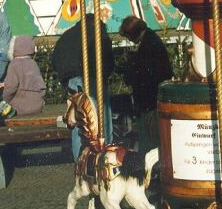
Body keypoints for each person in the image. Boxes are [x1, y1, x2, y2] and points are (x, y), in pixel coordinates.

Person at [52, 13, 114, 160]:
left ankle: (80, 162)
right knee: (101, 121)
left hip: (72, 81)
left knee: (81, 126)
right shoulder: (97, 34)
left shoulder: (66, 36)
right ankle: (104, 161)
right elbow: (107, 59)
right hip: (93, 78)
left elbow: (55, 60)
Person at [119, 15, 173, 152]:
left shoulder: (148, 44)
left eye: (129, 37)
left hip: (150, 101)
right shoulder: (150, 40)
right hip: (152, 97)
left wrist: (131, 67)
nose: (130, 40)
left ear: (133, 33)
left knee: (149, 138)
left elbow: (146, 74)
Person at [0, 35, 46, 117]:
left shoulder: (14, 64)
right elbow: (39, 85)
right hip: (37, 105)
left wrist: (4, 100)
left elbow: (11, 87)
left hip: (20, 107)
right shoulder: (33, 63)